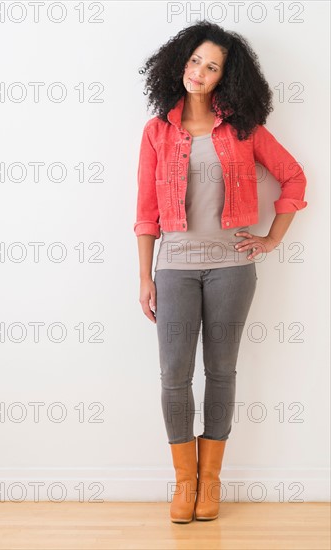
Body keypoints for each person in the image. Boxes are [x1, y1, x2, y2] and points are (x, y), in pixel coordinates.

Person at [133, 21, 307, 524]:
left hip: (233, 267)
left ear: (226, 78)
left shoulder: (243, 129)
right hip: (175, 269)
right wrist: (145, 277)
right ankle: (183, 483)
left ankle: (210, 483)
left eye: (212, 66)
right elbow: (146, 213)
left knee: (221, 372)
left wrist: (273, 239)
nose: (199, 73)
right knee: (173, 376)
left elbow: (293, 176)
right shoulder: (156, 131)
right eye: (194, 61)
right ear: (178, 63)